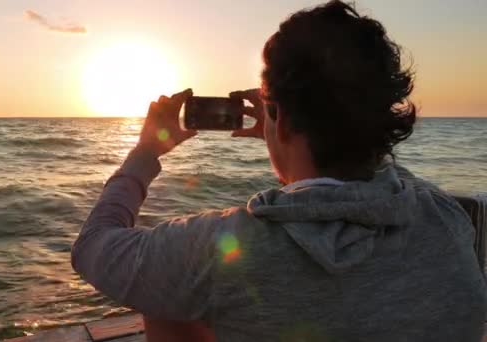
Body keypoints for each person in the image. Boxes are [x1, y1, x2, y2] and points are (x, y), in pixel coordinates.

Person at [71, 1, 487, 341]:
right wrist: (283, 131)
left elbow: (93, 248)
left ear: (282, 118)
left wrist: (147, 151)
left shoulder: (219, 249)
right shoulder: (445, 218)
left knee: (163, 294)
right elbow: (386, 181)